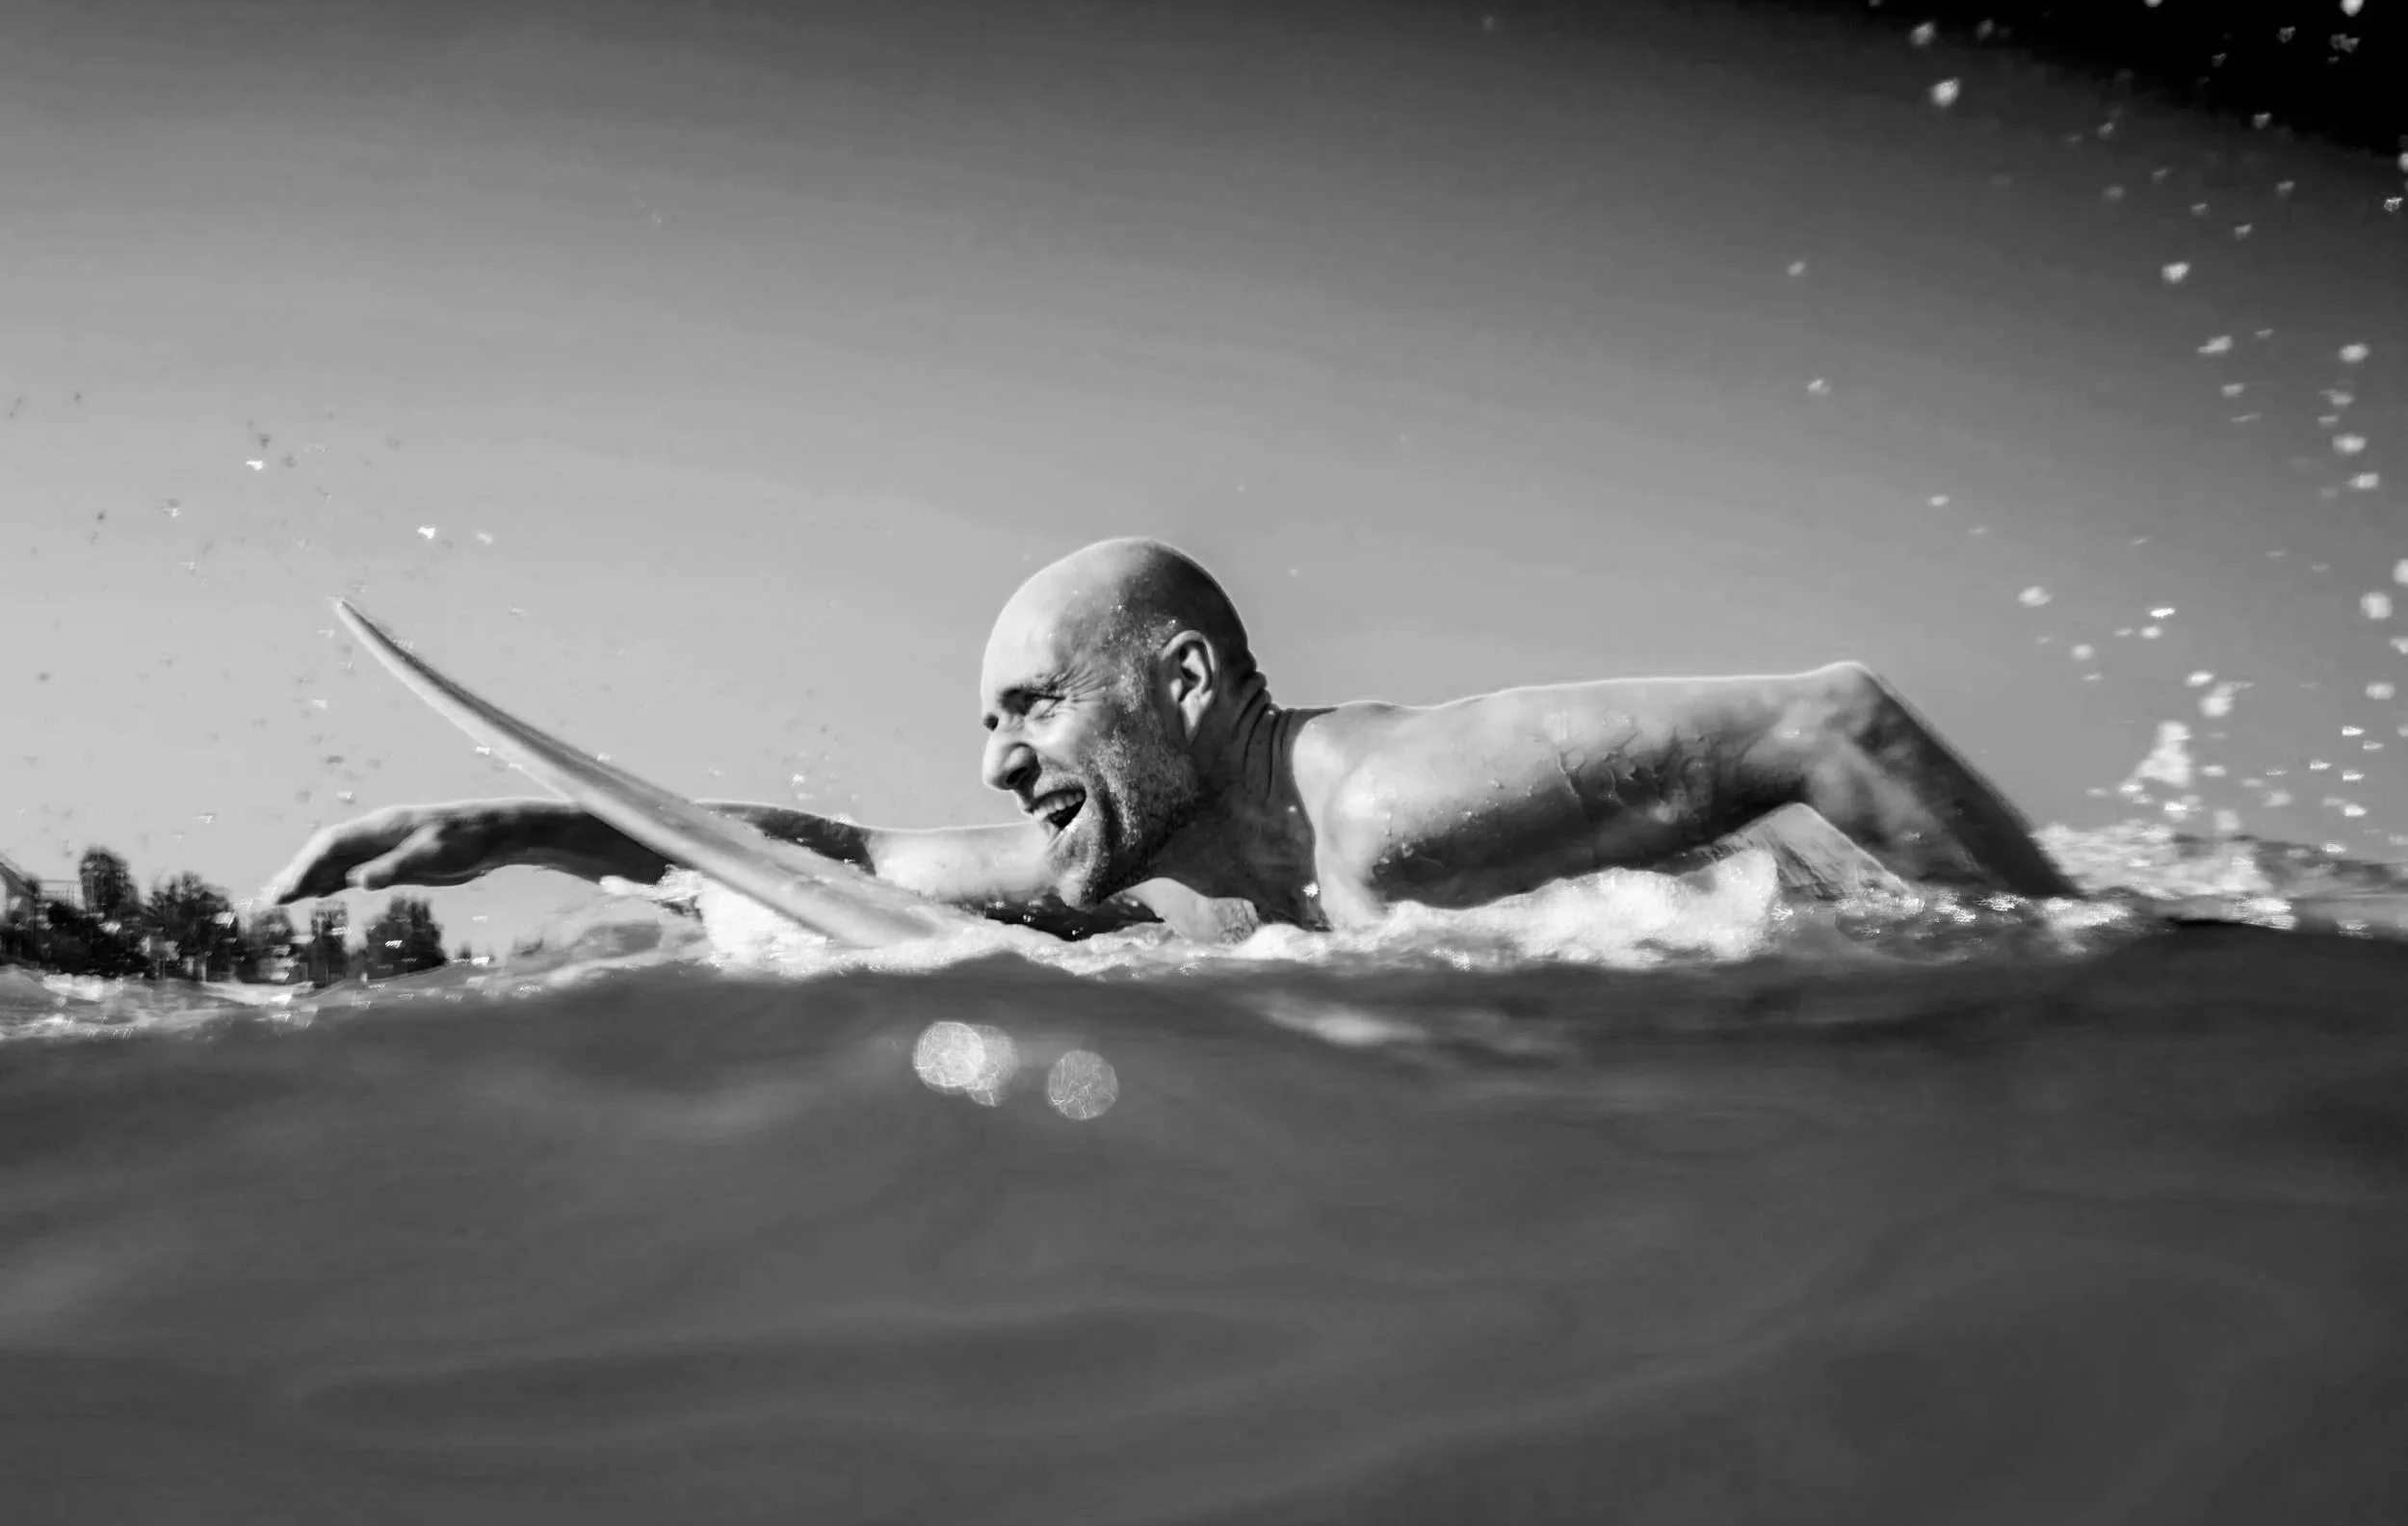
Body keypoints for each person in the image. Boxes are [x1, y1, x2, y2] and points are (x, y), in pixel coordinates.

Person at [266, 538, 2081, 941]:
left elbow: (1832, 721)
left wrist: (2076, 970)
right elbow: (837, 861)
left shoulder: (1400, 810)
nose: (995, 766)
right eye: (982, 725)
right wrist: (535, 823)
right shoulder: (1153, 870)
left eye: (1034, 708)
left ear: (1190, 688)